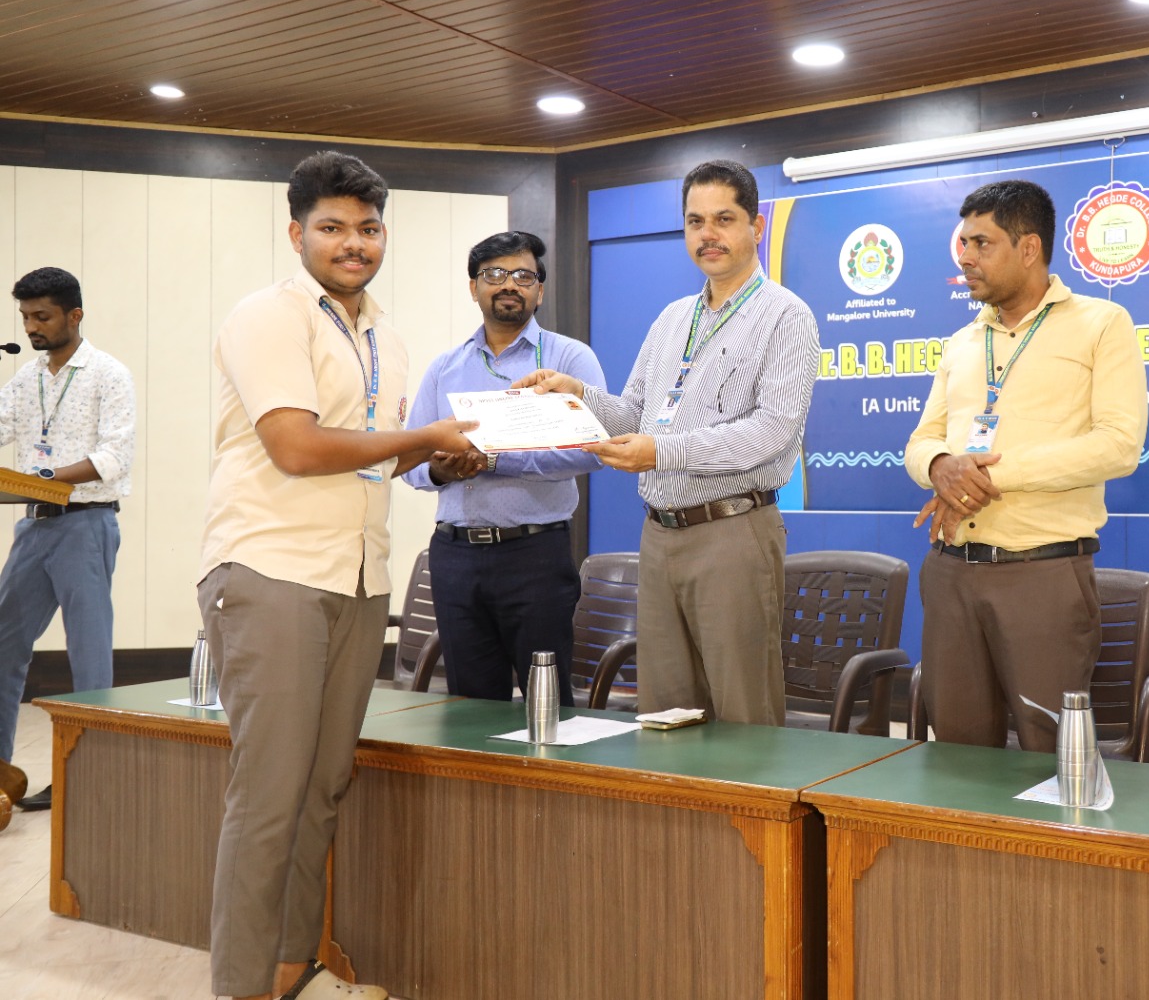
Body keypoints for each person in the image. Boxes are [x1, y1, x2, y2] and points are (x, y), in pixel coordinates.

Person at [197, 151, 476, 1000]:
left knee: (321, 789)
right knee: (268, 796)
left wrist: (442, 460)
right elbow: (297, 446)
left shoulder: (384, 336)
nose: (353, 243)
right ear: (297, 234)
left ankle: (289, 965)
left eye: (368, 228)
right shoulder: (268, 317)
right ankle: (239, 986)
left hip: (358, 578)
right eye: (332, 228)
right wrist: (423, 438)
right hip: (271, 569)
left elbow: (370, 458)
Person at [520, 160, 820, 725]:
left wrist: (659, 452)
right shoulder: (672, 319)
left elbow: (772, 432)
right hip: (659, 537)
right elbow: (634, 414)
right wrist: (576, 393)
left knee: (743, 714)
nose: (708, 235)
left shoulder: (786, 316)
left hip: (733, 532)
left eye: (723, 219)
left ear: (756, 227)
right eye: (695, 221)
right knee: (665, 713)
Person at [904, 179, 1147, 752]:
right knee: (958, 753)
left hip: (1043, 575)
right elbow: (921, 440)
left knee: (1050, 755)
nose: (965, 257)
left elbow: (1119, 445)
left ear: (1029, 247)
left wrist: (986, 476)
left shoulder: (1101, 323)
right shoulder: (962, 342)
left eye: (981, 244)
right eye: (963, 243)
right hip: (950, 573)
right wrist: (940, 466)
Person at [403, 231, 605, 704]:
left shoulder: (569, 358)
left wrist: (495, 459)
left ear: (540, 291)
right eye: (494, 274)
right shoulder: (444, 368)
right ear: (473, 287)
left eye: (523, 275)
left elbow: (595, 449)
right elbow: (411, 461)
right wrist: (444, 472)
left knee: (546, 703)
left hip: (534, 555)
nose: (509, 284)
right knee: (469, 707)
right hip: (454, 556)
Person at [0, 267, 135, 814]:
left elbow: (114, 456)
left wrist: (47, 479)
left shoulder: (108, 374)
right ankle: (0, 773)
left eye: (43, 316)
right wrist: (36, 488)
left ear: (75, 315)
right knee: (3, 645)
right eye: (25, 317)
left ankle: (86, 776)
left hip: (85, 523)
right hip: (33, 527)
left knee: (88, 658)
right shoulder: (25, 378)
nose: (32, 327)